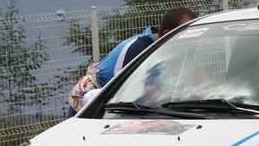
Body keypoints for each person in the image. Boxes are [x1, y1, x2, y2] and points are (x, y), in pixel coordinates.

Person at [67, 7, 197, 116]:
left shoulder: (176, 49)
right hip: (92, 104)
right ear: (168, 33)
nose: (191, 41)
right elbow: (132, 95)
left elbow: (195, 77)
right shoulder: (138, 49)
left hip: (121, 105)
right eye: (186, 35)